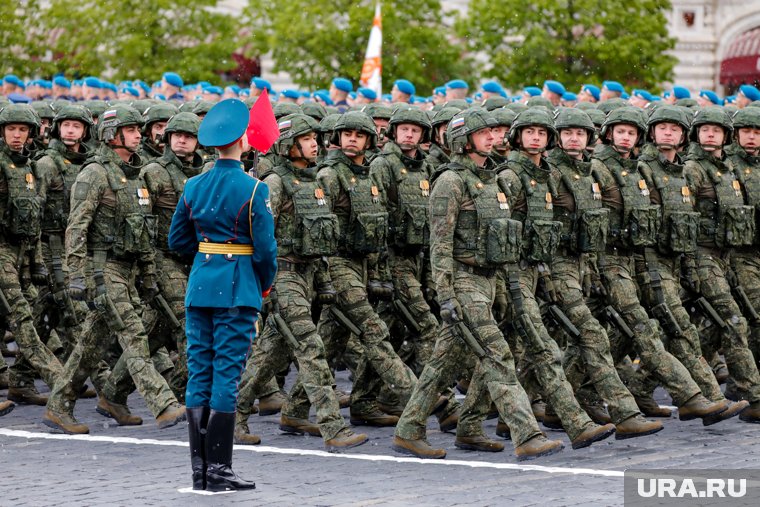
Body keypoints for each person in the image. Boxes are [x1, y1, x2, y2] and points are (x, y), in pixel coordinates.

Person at [392, 109, 564, 461]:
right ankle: (527, 434)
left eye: (493, 132)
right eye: (483, 133)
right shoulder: (450, 182)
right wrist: (446, 294)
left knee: (442, 364)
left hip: (490, 280)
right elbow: (439, 245)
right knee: (498, 356)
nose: (492, 137)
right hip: (463, 281)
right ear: (463, 139)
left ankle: (409, 429)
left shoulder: (492, 179)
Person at [43, 104, 186, 434]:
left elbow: (145, 229)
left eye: (139, 130)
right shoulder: (95, 173)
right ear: (112, 135)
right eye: (132, 130)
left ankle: (59, 406)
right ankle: (163, 404)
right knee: (133, 334)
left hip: (128, 269)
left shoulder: (138, 174)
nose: (140, 135)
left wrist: (148, 273)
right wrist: (76, 274)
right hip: (102, 269)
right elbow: (76, 228)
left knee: (90, 345)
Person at [234, 113, 368, 451]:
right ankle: (332, 427)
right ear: (288, 144)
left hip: (307, 274)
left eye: (314, 139)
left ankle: (230, 414)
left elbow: (323, 238)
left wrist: (322, 280)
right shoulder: (275, 184)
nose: (315, 145)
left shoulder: (313, 182)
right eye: (307, 139)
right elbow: (258, 235)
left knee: (269, 353)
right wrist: (262, 283)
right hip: (283, 274)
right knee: (310, 347)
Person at [168, 98, 277, 491]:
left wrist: (207, 250)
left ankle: (200, 470)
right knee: (227, 374)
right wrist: (262, 283)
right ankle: (219, 469)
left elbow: (177, 239)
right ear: (242, 141)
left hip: (200, 286)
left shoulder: (193, 185)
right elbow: (266, 251)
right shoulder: (254, 188)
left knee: (200, 370)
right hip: (238, 288)